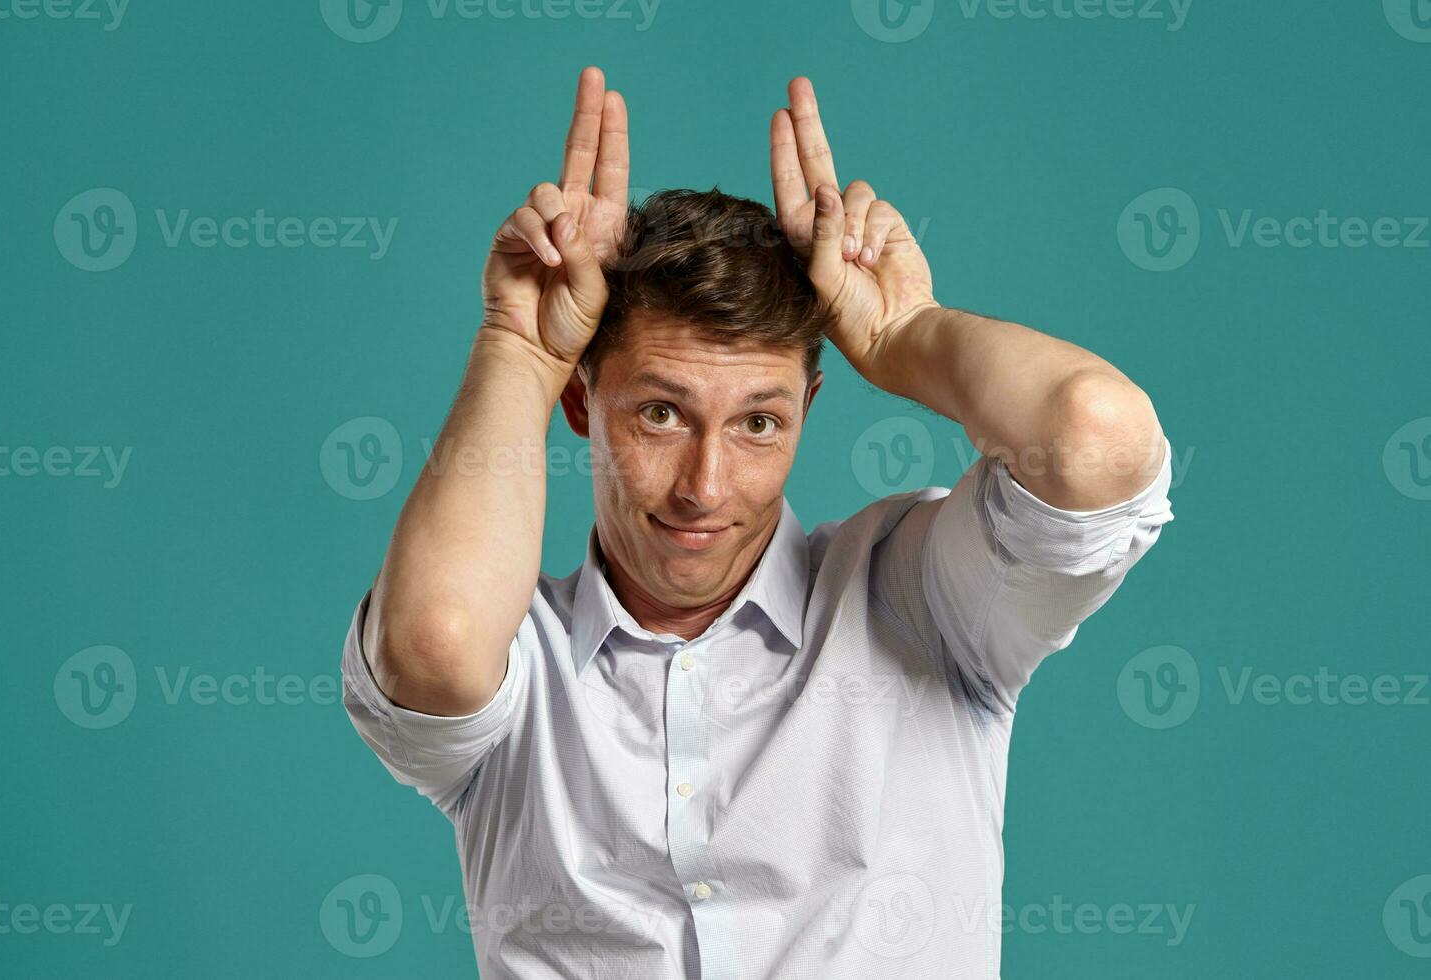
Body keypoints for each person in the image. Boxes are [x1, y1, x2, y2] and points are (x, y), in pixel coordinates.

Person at [339, 65, 1175, 979]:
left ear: (807, 412)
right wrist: (520, 348)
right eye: (660, 413)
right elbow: (433, 641)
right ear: (583, 405)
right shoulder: (521, 670)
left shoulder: (923, 601)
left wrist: (906, 335)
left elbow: (1096, 440)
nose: (705, 485)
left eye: (758, 423)